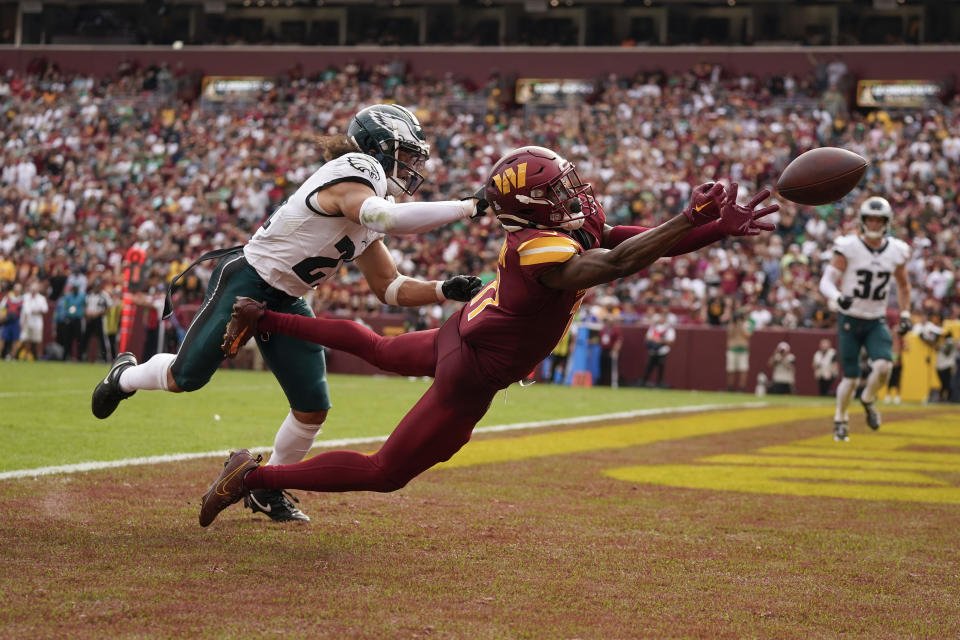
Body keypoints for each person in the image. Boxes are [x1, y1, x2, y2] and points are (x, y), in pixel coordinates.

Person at [197, 144, 779, 527]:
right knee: (386, 472)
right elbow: (614, 264)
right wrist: (690, 221)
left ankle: (265, 317)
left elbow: (634, 240)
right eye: (557, 189)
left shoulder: (548, 227)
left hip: (464, 331)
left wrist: (707, 230)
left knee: (377, 348)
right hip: (471, 371)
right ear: (531, 204)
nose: (573, 196)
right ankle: (251, 476)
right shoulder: (540, 250)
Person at [93, 104, 488, 523]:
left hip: (289, 297)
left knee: (312, 405)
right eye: (405, 153)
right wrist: (468, 206)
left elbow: (388, 287)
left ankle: (269, 487)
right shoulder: (358, 169)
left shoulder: (372, 198)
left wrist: (441, 290)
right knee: (184, 378)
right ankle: (124, 376)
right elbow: (384, 217)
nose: (410, 165)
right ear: (377, 147)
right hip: (249, 280)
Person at [818, 196, 911, 442]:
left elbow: (903, 285)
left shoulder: (896, 250)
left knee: (884, 366)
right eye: (870, 218)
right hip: (850, 318)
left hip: (875, 319)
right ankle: (841, 418)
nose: (874, 223)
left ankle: (868, 399)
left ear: (887, 222)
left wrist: (906, 313)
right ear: (862, 220)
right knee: (850, 377)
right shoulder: (849, 246)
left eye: (879, 219)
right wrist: (838, 298)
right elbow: (826, 281)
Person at [641, 312, 675, 388]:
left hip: (662, 351)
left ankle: (659, 383)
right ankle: (643, 382)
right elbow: (647, 337)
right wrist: (655, 340)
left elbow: (671, 341)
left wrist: (660, 341)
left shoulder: (669, 328)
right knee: (648, 367)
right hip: (652, 351)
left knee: (661, 368)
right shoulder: (653, 327)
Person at [19, 279, 49, 361]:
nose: (33, 291)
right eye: (32, 289)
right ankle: (27, 356)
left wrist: (36, 311)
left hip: (37, 323)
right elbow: (24, 310)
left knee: (38, 340)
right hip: (27, 322)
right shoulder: (25, 297)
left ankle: (39, 356)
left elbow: (45, 310)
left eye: (35, 290)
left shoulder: (41, 298)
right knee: (27, 340)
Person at [725, 307, 752, 392]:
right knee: (731, 369)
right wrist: (734, 324)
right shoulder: (732, 324)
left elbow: (747, 335)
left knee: (743, 370)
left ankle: (741, 388)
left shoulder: (747, 324)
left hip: (743, 349)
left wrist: (740, 325)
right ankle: (730, 388)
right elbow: (730, 334)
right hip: (733, 348)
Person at [597, 316, 623, 387]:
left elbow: (619, 341)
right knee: (602, 367)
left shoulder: (616, 330)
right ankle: (602, 383)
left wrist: (614, 350)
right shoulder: (603, 330)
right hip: (603, 350)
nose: (608, 323)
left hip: (611, 350)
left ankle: (613, 383)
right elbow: (599, 339)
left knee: (612, 368)